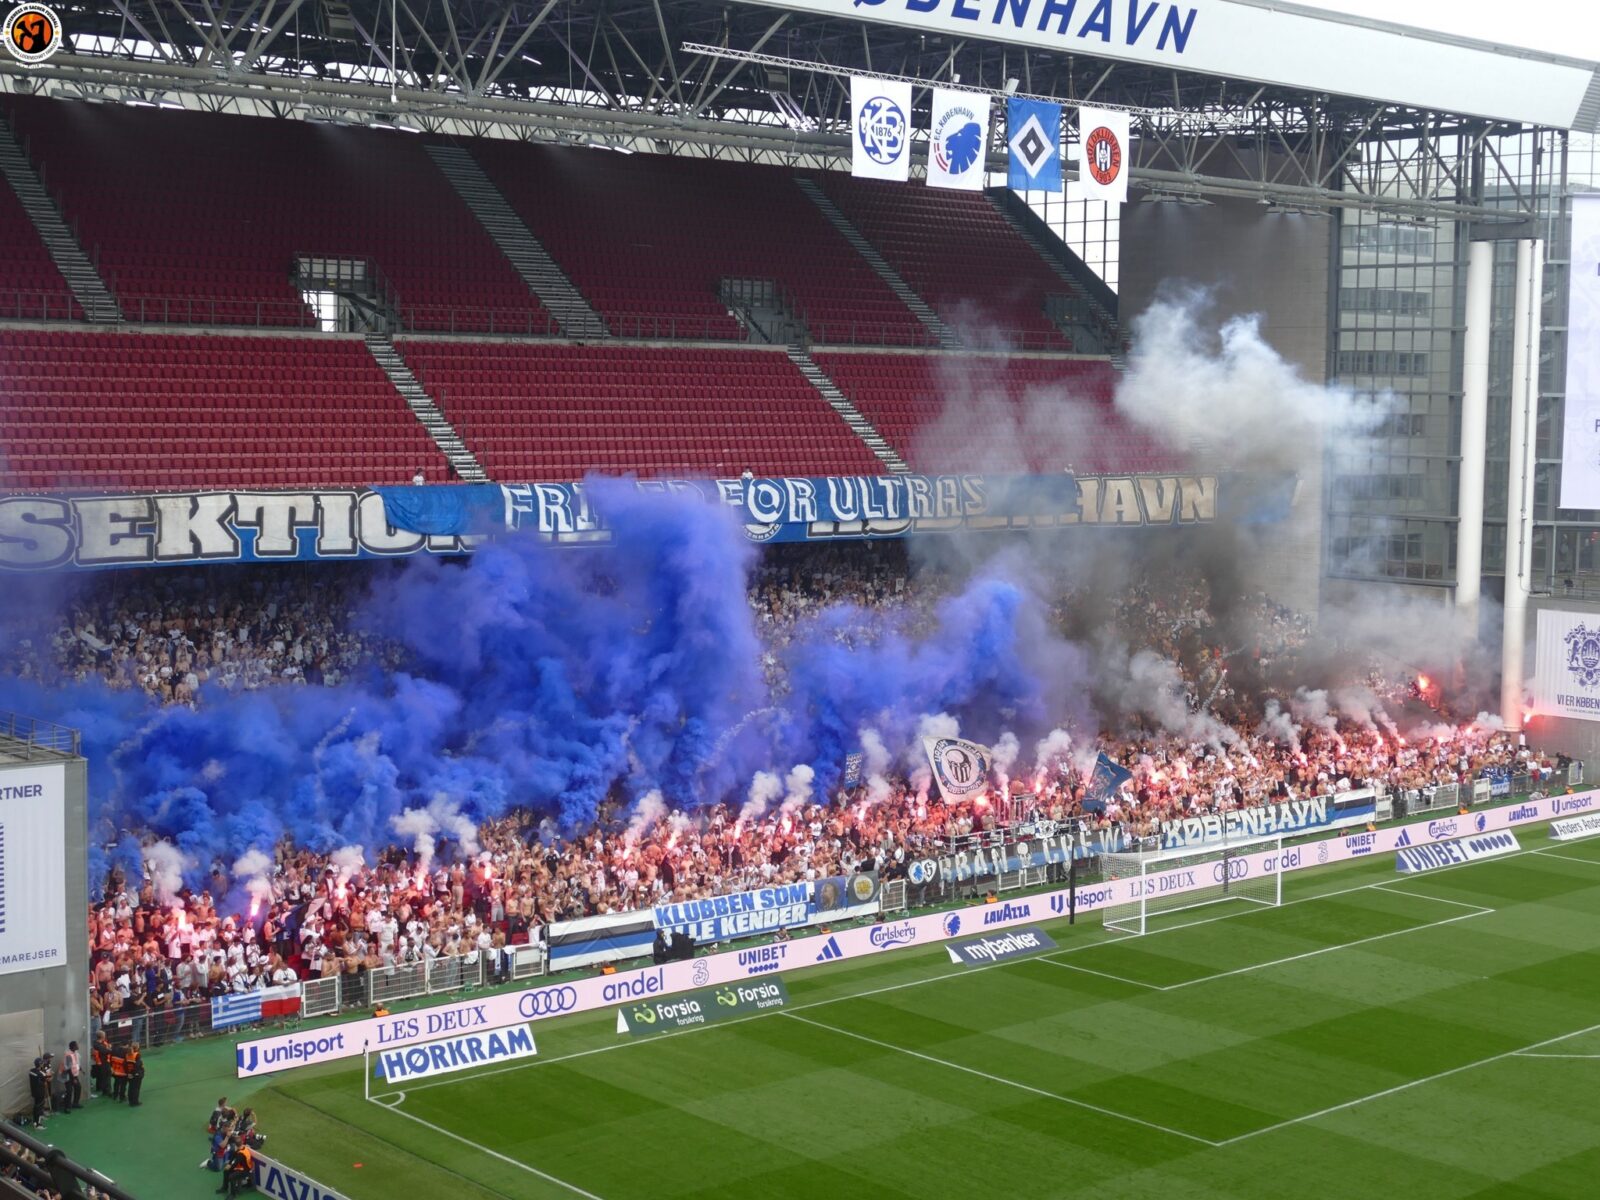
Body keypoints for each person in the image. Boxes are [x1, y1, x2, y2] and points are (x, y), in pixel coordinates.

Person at [27, 1057, 48, 1128]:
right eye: (42, 1063)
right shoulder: (40, 1074)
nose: (43, 1065)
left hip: (35, 1092)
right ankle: (37, 1124)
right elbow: (46, 1079)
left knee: (36, 1106)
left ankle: (36, 1120)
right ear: (40, 1064)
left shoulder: (31, 1071)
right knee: (39, 1107)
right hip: (40, 1093)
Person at [63, 1042, 83, 1109]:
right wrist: (73, 1079)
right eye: (77, 1045)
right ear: (74, 1047)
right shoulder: (68, 1055)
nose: (78, 1046)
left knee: (78, 1088)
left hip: (74, 1075)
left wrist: (81, 1069)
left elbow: (76, 1063)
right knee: (69, 1091)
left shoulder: (76, 1053)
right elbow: (68, 1068)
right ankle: (67, 1107)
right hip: (68, 1075)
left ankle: (75, 1103)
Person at [91, 1032, 112, 1097]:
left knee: (101, 1077)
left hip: (99, 1062)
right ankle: (107, 1091)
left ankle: (101, 1089)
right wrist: (110, 1049)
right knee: (106, 1077)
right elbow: (105, 1051)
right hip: (102, 1063)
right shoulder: (98, 1045)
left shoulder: (96, 1043)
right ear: (102, 1036)